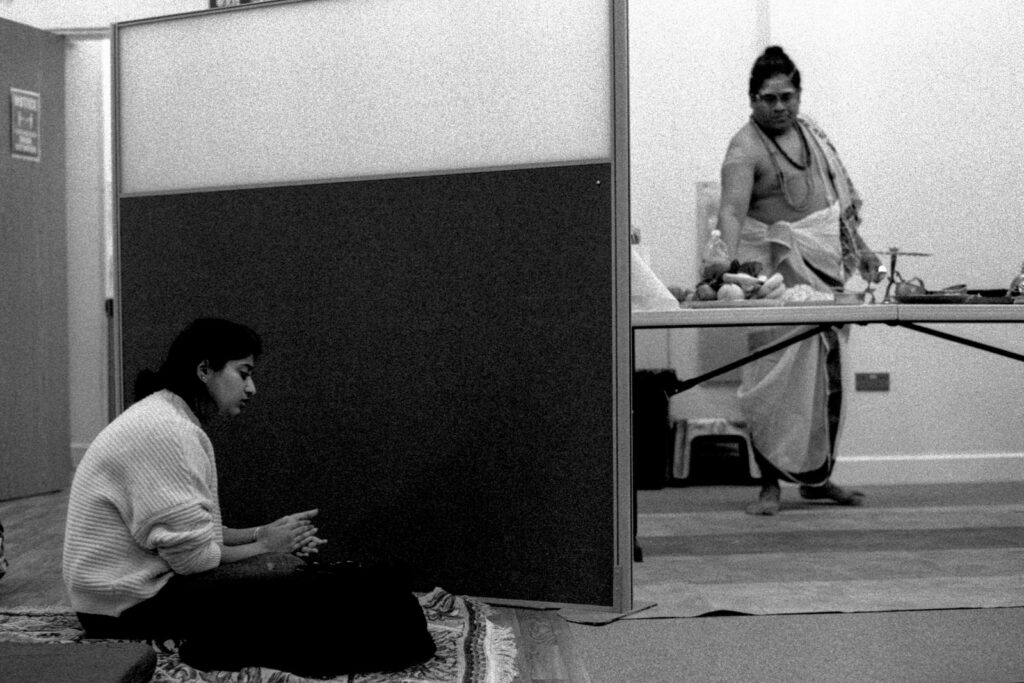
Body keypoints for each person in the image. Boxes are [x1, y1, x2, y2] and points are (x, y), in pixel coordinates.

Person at [63, 318, 435, 675]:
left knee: (308, 577)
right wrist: (267, 548)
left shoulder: (167, 419)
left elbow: (201, 533)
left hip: (130, 594)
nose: (251, 388)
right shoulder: (167, 432)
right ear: (205, 369)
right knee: (302, 586)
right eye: (243, 373)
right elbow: (193, 560)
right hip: (127, 607)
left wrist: (262, 534)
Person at [714, 46, 883, 515]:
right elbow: (731, 209)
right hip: (772, 281)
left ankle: (818, 479)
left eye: (786, 96)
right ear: (752, 100)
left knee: (828, 380)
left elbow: (837, 206)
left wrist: (862, 251)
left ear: (799, 94)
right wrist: (724, 264)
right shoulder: (744, 147)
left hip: (824, 274)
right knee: (771, 382)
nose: (779, 106)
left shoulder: (814, 136)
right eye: (768, 98)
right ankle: (769, 486)